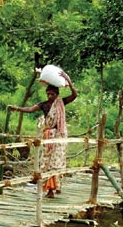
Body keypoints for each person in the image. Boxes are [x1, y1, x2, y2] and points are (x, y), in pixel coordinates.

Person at [9, 70, 77, 198]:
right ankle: (49, 189)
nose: (50, 96)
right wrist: (17, 108)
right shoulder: (44, 105)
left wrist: (68, 80)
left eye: (52, 94)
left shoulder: (61, 102)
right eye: (48, 93)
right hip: (48, 136)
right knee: (47, 162)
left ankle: (54, 188)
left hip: (59, 136)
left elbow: (74, 95)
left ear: (57, 94)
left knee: (56, 163)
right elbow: (30, 109)